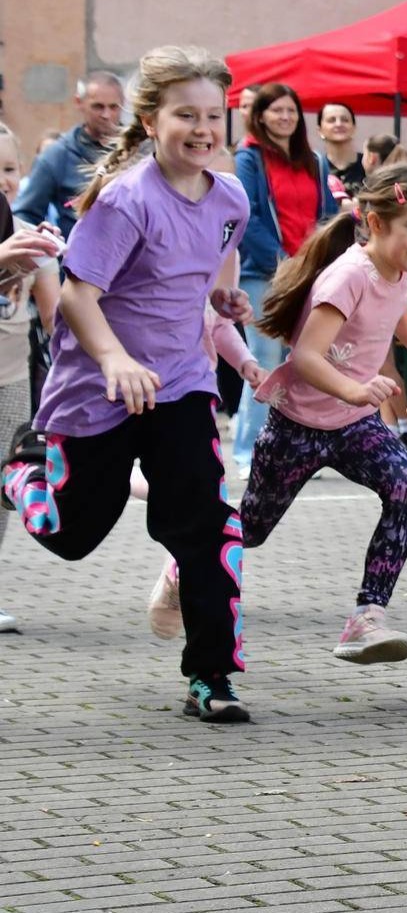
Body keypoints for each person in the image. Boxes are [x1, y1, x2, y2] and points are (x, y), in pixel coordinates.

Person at [1, 46, 252, 721]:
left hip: (180, 385)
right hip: (99, 389)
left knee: (207, 527)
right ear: (150, 121)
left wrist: (224, 302)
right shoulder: (126, 200)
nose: (203, 129)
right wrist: (114, 361)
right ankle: (21, 471)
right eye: (185, 115)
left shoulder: (230, 196)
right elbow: (81, 295)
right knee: (72, 533)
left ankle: (212, 675)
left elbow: (214, 263)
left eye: (213, 116)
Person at [201, 165, 407, 667]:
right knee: (252, 529)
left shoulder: (402, 269)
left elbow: (397, 307)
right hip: (299, 427)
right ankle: (187, 564)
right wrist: (355, 390)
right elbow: (307, 357)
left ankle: (366, 616)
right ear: (375, 224)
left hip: (354, 425)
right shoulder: (348, 276)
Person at [232, 83, 340, 476]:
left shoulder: (314, 159)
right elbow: (248, 217)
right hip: (265, 275)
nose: (284, 117)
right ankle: (249, 452)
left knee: (308, 361)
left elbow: (327, 216)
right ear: (260, 116)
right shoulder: (249, 158)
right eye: (276, 111)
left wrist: (321, 262)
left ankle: (298, 449)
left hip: (310, 275)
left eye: (291, 111)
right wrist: (286, 264)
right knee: (263, 361)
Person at [0, 122, 64, 634]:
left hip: (11, 375)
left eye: (9, 169)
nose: (3, 180)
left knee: (4, 481)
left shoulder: (23, 228)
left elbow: (56, 315)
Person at [12, 70, 125, 235]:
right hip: (79, 255)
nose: (106, 115)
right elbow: (25, 214)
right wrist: (45, 244)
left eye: (114, 107)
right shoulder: (56, 156)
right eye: (98, 106)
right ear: (79, 102)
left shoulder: (143, 149)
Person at [317, 103, 366, 202]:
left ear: (354, 128)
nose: (339, 124)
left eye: (345, 120)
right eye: (331, 120)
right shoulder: (315, 167)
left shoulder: (370, 164)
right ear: (320, 130)